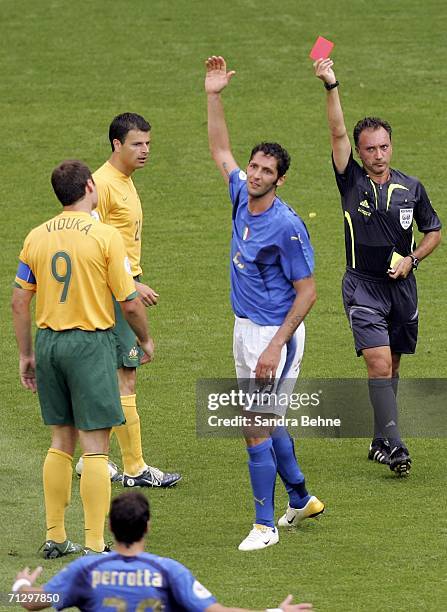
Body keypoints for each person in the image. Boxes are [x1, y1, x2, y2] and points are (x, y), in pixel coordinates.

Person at [205, 56, 324, 552]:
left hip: (275, 334)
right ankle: (300, 497)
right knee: (265, 419)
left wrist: (276, 347)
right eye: (254, 166)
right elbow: (220, 150)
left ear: (281, 179)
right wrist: (214, 95)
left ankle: (264, 526)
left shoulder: (287, 225)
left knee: (253, 425)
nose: (254, 174)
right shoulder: (240, 192)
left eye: (266, 171)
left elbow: (308, 292)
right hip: (245, 327)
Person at [12, 160, 155, 556]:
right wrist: (145, 339)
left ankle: (55, 536)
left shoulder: (36, 237)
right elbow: (129, 302)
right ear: (90, 186)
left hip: (48, 343)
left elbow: (20, 300)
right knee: (96, 447)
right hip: (89, 344)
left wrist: (27, 354)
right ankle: (94, 543)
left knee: (60, 440)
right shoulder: (106, 236)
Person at [313, 58, 442, 474]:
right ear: (358, 150)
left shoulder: (411, 187)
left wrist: (412, 259)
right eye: (369, 148)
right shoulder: (350, 180)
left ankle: (379, 437)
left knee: (394, 365)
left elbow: (434, 232)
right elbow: (336, 131)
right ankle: (396, 446)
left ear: (391, 146)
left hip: (402, 287)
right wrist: (331, 84)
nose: (378, 154)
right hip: (363, 287)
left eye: (384, 146)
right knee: (379, 363)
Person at [75, 112, 181, 488]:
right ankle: (135, 468)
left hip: (116, 284)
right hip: (114, 290)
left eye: (148, 143)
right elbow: (93, 237)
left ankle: (91, 459)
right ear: (116, 145)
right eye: (137, 144)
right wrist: (130, 284)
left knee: (104, 376)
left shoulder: (122, 180)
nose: (145, 150)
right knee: (125, 377)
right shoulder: (103, 185)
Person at [12, 492, 313, 611]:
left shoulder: (85, 571)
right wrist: (275, 611)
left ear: (111, 528)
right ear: (148, 526)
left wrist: (21, 584)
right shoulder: (168, 571)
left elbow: (32, 601)